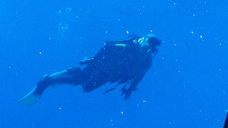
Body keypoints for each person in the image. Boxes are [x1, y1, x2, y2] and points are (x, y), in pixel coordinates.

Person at [18, 34, 161, 105]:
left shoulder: (146, 63)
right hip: (100, 65)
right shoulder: (126, 47)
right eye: (147, 43)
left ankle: (71, 71)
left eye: (151, 47)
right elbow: (107, 47)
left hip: (109, 74)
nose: (146, 48)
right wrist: (93, 61)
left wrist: (130, 89)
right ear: (142, 40)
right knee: (77, 81)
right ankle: (46, 81)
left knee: (86, 88)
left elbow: (139, 76)